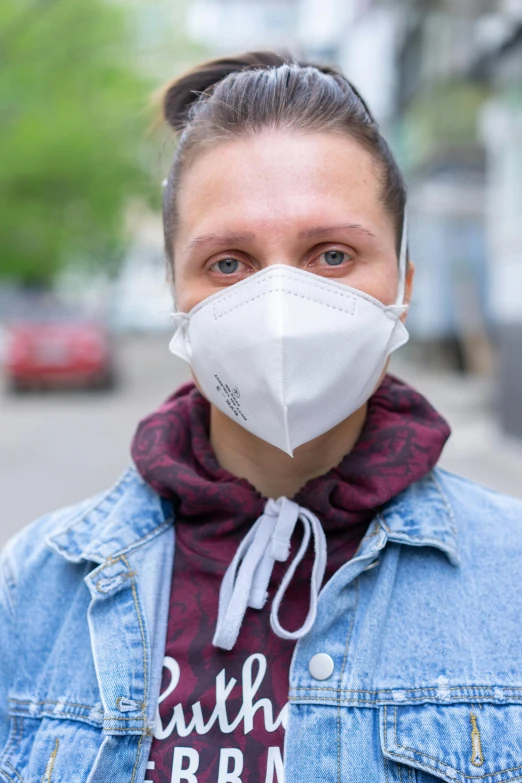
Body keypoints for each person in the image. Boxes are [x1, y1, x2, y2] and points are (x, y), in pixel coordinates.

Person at [1, 52, 521, 783]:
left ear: (403, 281)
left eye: (332, 254)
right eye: (229, 263)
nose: (280, 306)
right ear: (175, 291)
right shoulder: (34, 589)